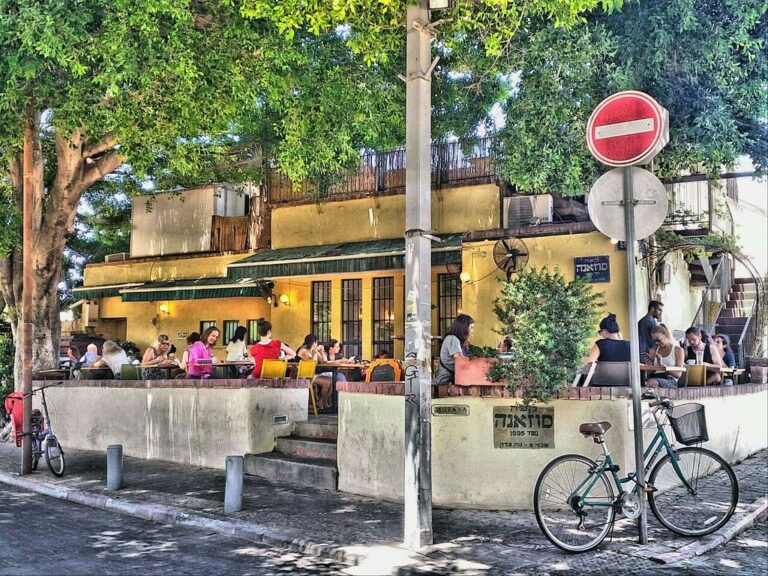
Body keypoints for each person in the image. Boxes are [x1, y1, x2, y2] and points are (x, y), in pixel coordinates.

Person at [435, 314, 475, 385]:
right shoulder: (453, 339)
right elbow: (460, 359)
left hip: (449, 382)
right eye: (471, 328)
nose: (473, 331)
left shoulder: (454, 340)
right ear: (464, 328)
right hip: (445, 384)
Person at [297, 334, 333, 409]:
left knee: (333, 381)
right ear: (314, 342)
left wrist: (322, 352)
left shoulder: (313, 350)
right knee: (327, 383)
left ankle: (321, 402)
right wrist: (316, 352)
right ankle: (323, 404)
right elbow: (314, 363)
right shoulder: (303, 351)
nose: (317, 344)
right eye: (316, 342)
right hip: (304, 375)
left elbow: (324, 361)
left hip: (312, 375)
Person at [645, 324, 685, 389]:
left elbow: (678, 374)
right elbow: (649, 374)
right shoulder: (653, 350)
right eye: (654, 341)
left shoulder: (678, 350)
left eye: (658, 340)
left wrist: (664, 367)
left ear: (665, 335)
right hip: (655, 377)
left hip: (670, 380)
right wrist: (649, 365)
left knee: (651, 383)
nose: (656, 343)